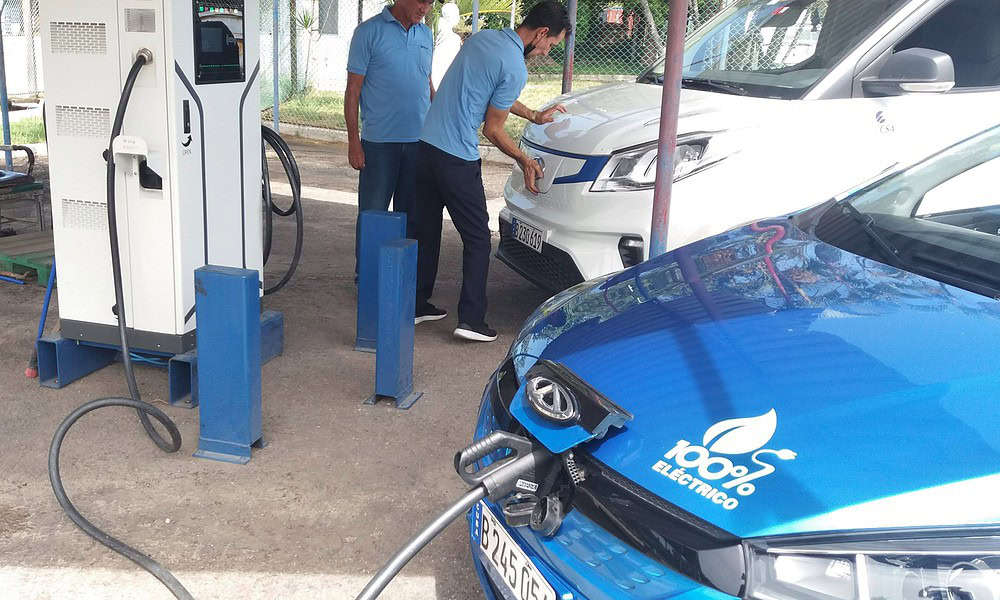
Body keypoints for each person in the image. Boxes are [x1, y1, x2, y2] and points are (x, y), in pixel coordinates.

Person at [413, 0, 571, 343]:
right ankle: (470, 319)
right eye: (550, 45)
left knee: (425, 229)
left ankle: (416, 303)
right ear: (542, 33)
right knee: (478, 239)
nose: (546, 52)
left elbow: (493, 91)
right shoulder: (516, 66)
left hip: (425, 148)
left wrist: (533, 115)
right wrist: (525, 159)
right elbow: (493, 128)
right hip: (456, 157)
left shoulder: (484, 40)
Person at [345, 0, 435, 278]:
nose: (426, 8)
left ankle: (399, 278)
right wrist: (353, 141)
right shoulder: (368, 32)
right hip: (379, 144)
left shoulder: (426, 35)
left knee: (409, 217)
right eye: (422, 1)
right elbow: (353, 91)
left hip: (418, 143)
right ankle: (368, 277)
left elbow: (427, 84)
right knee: (373, 216)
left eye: (431, 3)